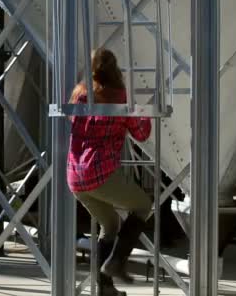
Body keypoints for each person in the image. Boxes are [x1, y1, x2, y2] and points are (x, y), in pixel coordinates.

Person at [67, 48, 152, 296]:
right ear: (116, 70)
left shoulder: (79, 95)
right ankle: (116, 263)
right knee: (143, 205)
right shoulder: (122, 99)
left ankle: (105, 288)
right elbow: (142, 134)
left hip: (74, 176)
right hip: (100, 174)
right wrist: (141, 113)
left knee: (110, 224)